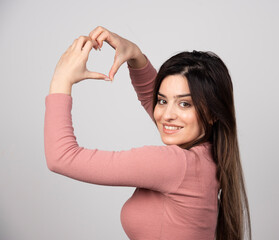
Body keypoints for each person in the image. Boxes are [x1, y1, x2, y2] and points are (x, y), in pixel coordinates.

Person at [44, 26, 251, 240]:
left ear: (212, 113)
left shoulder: (174, 164)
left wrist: (61, 80)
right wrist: (135, 56)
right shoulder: (210, 155)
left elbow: (61, 157)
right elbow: (160, 107)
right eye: (162, 100)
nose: (166, 115)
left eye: (184, 104)